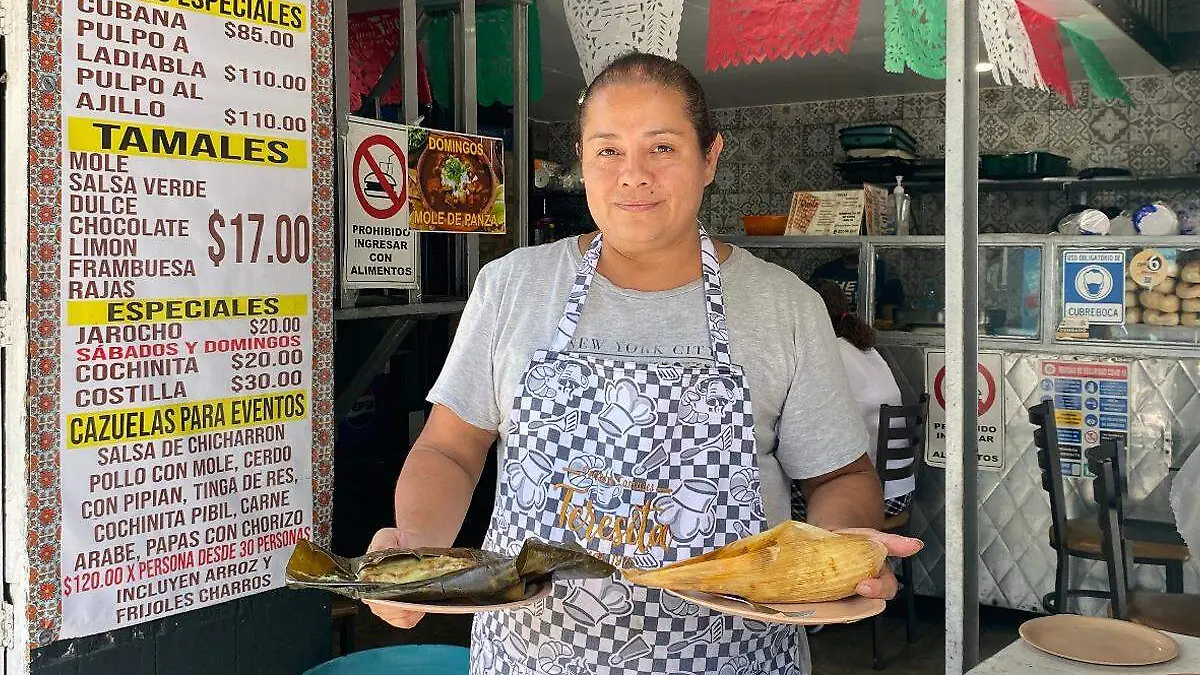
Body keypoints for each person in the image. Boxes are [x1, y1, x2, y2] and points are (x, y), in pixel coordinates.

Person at [367, 52, 923, 674]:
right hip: (533, 655)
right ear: (582, 160)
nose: (633, 175)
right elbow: (450, 448)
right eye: (608, 150)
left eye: (662, 147)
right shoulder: (512, 287)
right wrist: (417, 546)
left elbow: (840, 478)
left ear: (710, 157)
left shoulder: (783, 305)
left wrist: (837, 558)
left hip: (732, 654)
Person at [814, 280, 914, 516]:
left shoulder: (832, 351)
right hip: (900, 488)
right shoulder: (863, 347)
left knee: (778, 489)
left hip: (873, 495)